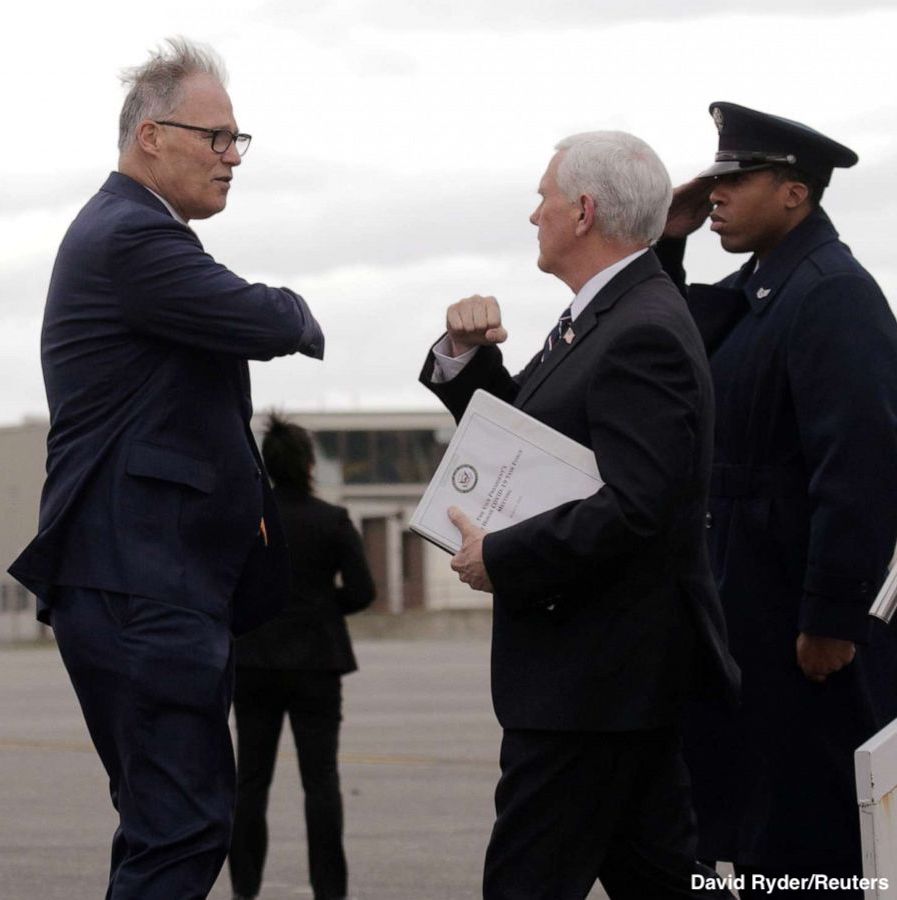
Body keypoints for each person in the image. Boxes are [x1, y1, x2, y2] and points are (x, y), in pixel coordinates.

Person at [7, 38, 324, 899]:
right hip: (141, 583)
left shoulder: (136, 233)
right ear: (150, 136)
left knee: (166, 823)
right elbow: (267, 321)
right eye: (215, 138)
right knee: (181, 827)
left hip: (143, 582)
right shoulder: (131, 237)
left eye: (236, 140)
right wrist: (298, 308)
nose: (231, 157)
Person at [419, 131, 740, 900]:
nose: (535, 214)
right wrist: (463, 355)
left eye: (545, 199)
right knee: (658, 877)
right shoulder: (606, 315)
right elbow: (534, 438)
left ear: (584, 211)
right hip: (605, 681)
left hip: (594, 684)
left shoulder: (640, 330)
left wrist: (501, 557)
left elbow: (635, 507)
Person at [655, 101, 897, 898]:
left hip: (797, 627)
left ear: (794, 192)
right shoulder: (761, 288)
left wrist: (831, 618)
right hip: (748, 613)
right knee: (755, 835)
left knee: (809, 844)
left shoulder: (831, 292)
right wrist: (668, 237)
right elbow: (671, 342)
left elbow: (859, 468)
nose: (715, 194)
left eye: (736, 178)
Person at [229, 414, 374, 900]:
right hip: (317, 661)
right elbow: (363, 590)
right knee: (321, 781)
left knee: (250, 783)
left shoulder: (251, 522)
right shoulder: (332, 520)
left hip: (253, 660)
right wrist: (323, 610)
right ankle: (329, 890)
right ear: (309, 464)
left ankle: (244, 888)